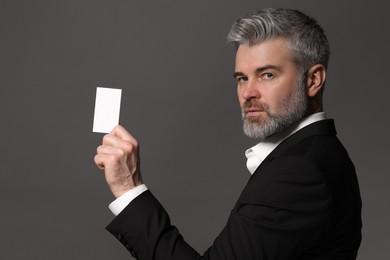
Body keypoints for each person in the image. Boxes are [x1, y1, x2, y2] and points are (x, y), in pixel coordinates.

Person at [94, 8, 362, 260]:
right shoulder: (318, 154)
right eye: (242, 78)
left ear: (313, 80)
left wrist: (127, 188)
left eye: (267, 75)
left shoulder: (299, 172)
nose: (248, 93)